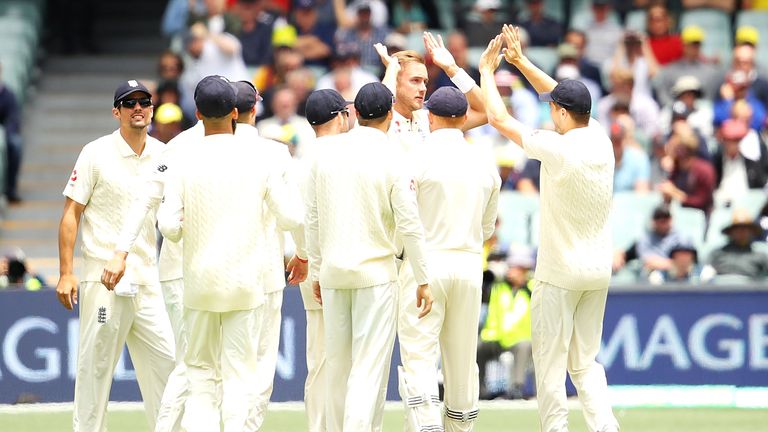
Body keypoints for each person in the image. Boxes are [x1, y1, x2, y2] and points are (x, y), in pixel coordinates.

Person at [480, 25, 619, 432]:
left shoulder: (557, 149)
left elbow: (498, 118)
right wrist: (521, 61)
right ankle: (605, 427)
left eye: (552, 108)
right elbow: (563, 93)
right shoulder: (600, 137)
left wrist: (488, 72)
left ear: (559, 113)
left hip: (560, 274)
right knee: (585, 362)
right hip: (597, 271)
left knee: (550, 362)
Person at [157, 75, 306, 431]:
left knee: (201, 375)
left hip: (199, 282)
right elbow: (291, 216)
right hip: (246, 281)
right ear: (236, 113)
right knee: (240, 375)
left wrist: (185, 225)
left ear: (197, 113)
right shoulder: (260, 156)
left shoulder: (183, 157)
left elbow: (168, 227)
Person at [306, 82, 433, 431]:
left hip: (333, 274)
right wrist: (423, 279)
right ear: (391, 115)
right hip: (375, 277)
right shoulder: (394, 157)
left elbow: (312, 220)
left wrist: (317, 272)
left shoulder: (326, 154)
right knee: (366, 370)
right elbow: (410, 223)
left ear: (355, 114)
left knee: (338, 368)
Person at [56, 80, 176, 432]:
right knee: (95, 370)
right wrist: (66, 272)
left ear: (152, 109)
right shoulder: (95, 153)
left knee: (168, 366)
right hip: (104, 281)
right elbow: (70, 213)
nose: (137, 108)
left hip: (148, 280)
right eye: (129, 103)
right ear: (116, 112)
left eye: (143, 102)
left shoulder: (164, 155)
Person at [396, 86, 500, 432]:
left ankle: (427, 426)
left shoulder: (416, 156)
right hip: (469, 266)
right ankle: (461, 428)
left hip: (425, 265)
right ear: (463, 119)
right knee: (462, 358)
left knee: (419, 355)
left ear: (431, 115)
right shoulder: (485, 162)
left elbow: (405, 219)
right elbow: (487, 229)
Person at [233, 80, 308, 432]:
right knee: (260, 360)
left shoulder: (198, 150)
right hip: (262, 271)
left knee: (217, 363)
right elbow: (292, 215)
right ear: (255, 107)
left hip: (216, 273)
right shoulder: (274, 152)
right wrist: (304, 253)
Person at [298, 88, 352, 432]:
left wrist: (305, 261)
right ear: (339, 116)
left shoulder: (301, 157)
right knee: (350, 359)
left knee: (319, 359)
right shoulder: (347, 154)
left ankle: (320, 427)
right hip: (344, 265)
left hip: (313, 266)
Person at [378, 32, 487, 154]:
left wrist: (452, 69)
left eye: (425, 82)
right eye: (415, 80)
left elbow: (485, 112)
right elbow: (380, 108)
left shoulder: (429, 120)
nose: (423, 88)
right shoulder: (375, 119)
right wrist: (392, 70)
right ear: (395, 82)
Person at [477, 245, 534, 400]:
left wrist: (523, 286)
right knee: (478, 347)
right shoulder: (498, 285)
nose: (512, 271)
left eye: (517, 267)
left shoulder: (532, 288)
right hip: (496, 339)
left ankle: (516, 388)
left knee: (524, 345)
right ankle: (478, 389)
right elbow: (481, 288)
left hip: (519, 340)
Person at [705, 208, 768, 280]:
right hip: (722, 289)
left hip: (749, 290)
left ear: (751, 232)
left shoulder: (761, 256)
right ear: (731, 232)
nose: (742, 233)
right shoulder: (717, 254)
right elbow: (706, 277)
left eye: (745, 229)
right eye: (738, 229)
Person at [0, 63, 22, 202]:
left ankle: (10, 188)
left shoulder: (8, 94)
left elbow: (14, 119)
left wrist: (5, 133)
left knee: (16, 144)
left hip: (4, 134)